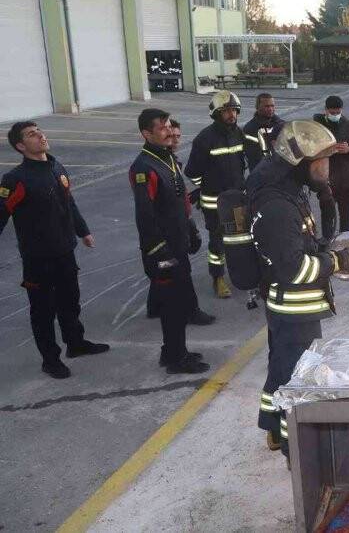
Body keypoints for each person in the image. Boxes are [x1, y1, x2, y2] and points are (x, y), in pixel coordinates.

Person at [247, 120, 349, 454]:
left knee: (281, 365)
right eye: (321, 161)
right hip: (294, 308)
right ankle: (291, 443)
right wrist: (336, 263)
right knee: (298, 378)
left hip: (289, 306)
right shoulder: (277, 206)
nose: (327, 168)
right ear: (299, 164)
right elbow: (295, 269)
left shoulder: (289, 191)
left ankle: (270, 425)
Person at [1, 122, 109, 379]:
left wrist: (83, 231)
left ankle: (76, 344)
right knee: (43, 312)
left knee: (70, 301)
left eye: (39, 131)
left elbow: (68, 202)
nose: (40, 135)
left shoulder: (56, 166)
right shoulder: (16, 179)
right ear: (20, 146)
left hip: (65, 251)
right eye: (31, 135)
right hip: (38, 258)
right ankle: (50, 360)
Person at [129, 109, 209, 374]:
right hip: (162, 250)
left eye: (168, 126)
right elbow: (146, 216)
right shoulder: (144, 168)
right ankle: (175, 359)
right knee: (172, 306)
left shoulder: (167, 159)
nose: (168, 131)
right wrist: (159, 250)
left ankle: (174, 351)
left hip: (178, 244)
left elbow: (179, 201)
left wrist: (191, 230)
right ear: (146, 134)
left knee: (181, 302)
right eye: (162, 128)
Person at [147, 119, 214, 326]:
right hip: (167, 234)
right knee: (178, 272)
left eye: (177, 136)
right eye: (170, 135)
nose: (174, 139)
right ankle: (190, 311)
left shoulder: (171, 160)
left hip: (176, 229)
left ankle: (154, 306)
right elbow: (149, 209)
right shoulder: (154, 165)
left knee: (169, 271)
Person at [184, 90, 246, 298]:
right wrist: (208, 186)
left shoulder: (239, 134)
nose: (232, 115)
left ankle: (240, 274)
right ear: (217, 113)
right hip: (214, 202)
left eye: (234, 110)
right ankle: (218, 278)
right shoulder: (204, 139)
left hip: (237, 199)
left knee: (240, 238)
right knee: (217, 242)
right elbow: (191, 172)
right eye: (226, 111)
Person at [313, 95, 349, 238]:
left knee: (346, 216)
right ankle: (327, 243)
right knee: (328, 215)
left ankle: (344, 241)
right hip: (326, 181)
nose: (335, 115)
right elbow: (310, 151)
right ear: (326, 110)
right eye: (332, 112)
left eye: (338, 112)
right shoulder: (318, 127)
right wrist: (327, 149)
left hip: (347, 181)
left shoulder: (348, 125)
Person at [243, 93, 284, 171]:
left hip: (281, 173)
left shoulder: (281, 124)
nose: (271, 109)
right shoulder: (250, 129)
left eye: (272, 106)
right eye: (267, 106)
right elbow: (253, 156)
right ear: (257, 107)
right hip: (261, 173)